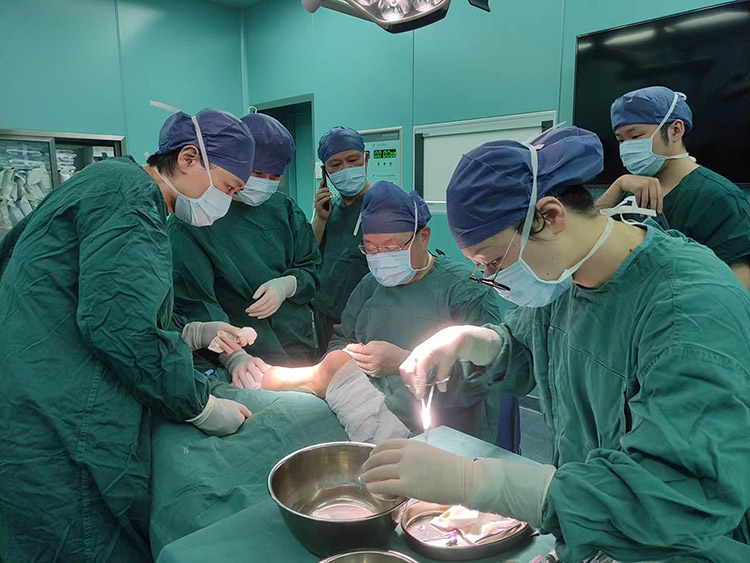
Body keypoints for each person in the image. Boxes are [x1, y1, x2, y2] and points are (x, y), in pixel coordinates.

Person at [361, 127, 750, 562]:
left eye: (493, 261)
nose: (491, 277)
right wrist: (474, 342)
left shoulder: (689, 310)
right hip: (595, 527)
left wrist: (477, 484)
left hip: (680, 546)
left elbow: (677, 497)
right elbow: (528, 348)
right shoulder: (566, 279)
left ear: (549, 216)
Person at [0, 108, 258, 562]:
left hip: (26, 389)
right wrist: (199, 405)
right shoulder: (131, 197)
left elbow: (93, 294)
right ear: (189, 158)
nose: (228, 201)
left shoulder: (103, 180)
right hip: (61, 413)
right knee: (86, 539)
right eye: (229, 187)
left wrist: (191, 332)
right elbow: (121, 327)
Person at [328, 181, 513, 444]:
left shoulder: (465, 291)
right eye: (370, 248)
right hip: (374, 420)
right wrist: (347, 360)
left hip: (446, 433)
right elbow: (340, 339)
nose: (380, 258)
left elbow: (484, 377)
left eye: (391, 248)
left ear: (423, 236)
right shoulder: (370, 285)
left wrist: (403, 362)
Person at [170, 111, 321, 382]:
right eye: (257, 172)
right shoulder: (197, 217)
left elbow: (311, 269)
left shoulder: (284, 209)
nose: (265, 181)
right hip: (245, 357)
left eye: (274, 175)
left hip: (297, 343)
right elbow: (195, 303)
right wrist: (234, 356)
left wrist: (288, 285)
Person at [597, 86, 750, 289]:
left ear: (676, 130)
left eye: (635, 137)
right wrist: (618, 185)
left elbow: (737, 287)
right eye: (620, 140)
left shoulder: (719, 198)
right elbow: (585, 236)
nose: (626, 148)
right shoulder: (629, 192)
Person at [311, 126, 371, 351]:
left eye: (353, 160)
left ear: (366, 159)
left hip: (363, 317)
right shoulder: (329, 209)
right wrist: (320, 219)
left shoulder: (383, 204)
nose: (345, 168)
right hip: (325, 313)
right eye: (335, 164)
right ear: (325, 171)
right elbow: (308, 254)